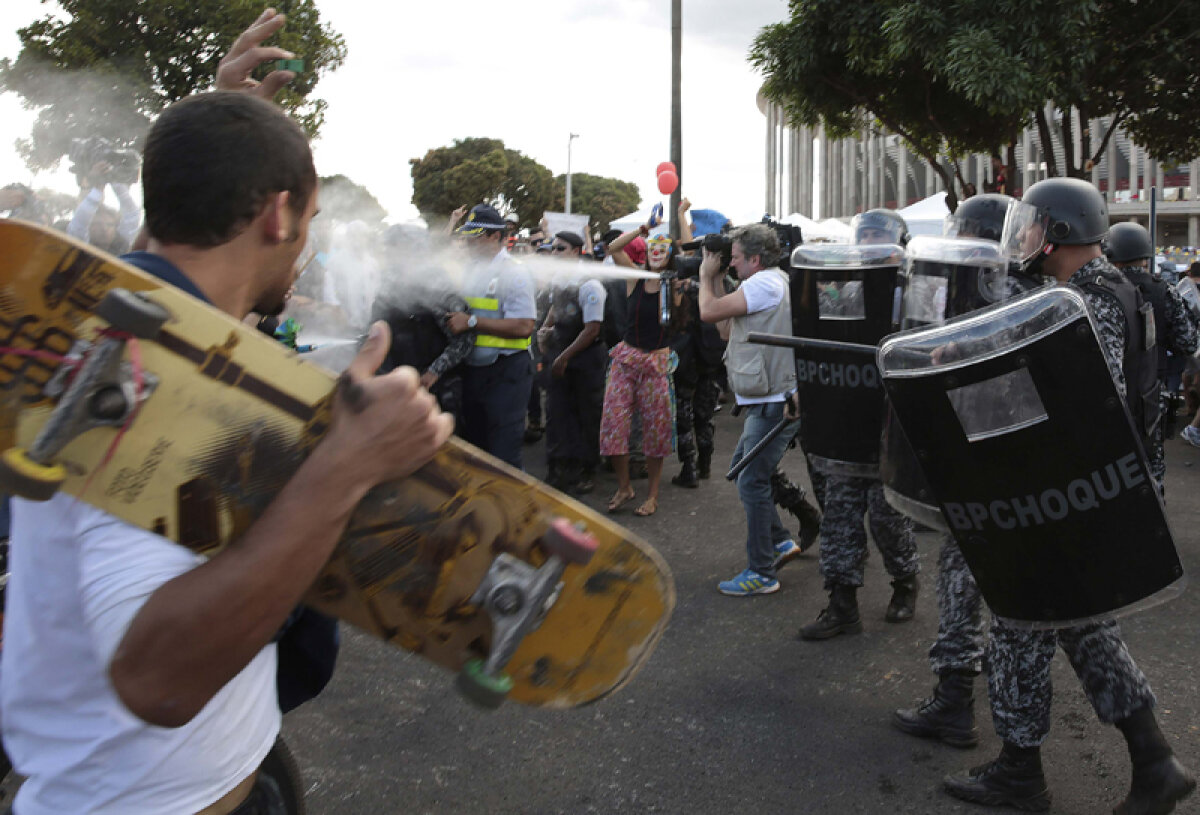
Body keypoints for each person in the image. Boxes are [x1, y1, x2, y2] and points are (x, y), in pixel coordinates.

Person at [0, 84, 455, 815]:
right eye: (307, 219)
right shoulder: (145, 376)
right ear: (278, 213)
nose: (305, 248)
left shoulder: (144, 324)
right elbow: (159, 679)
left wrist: (219, 124)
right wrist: (347, 466)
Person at [942, 178, 1195, 814]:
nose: (1021, 236)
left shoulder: (1087, 302)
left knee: (1020, 624)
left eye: (1030, 225)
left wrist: (971, 388)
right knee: (1084, 628)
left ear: (1055, 232)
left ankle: (1021, 773)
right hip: (1087, 491)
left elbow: (1079, 401)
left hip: (1066, 496)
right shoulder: (1106, 289)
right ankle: (1154, 761)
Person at [799, 208, 920, 637]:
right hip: (846, 419)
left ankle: (905, 582)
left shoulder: (913, 288)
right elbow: (825, 336)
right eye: (864, 235)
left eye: (879, 236)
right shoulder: (845, 284)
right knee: (840, 516)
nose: (870, 243)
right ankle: (841, 603)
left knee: (888, 520)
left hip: (890, 422)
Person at [697, 223, 800, 596]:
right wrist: (719, 280)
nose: (732, 264)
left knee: (751, 479)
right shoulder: (761, 284)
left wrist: (706, 277)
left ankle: (762, 572)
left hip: (775, 400)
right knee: (745, 471)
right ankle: (779, 541)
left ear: (755, 259)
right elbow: (726, 330)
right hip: (767, 397)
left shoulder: (763, 284)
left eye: (736, 258)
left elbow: (707, 313)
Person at [1104, 221, 1199, 488]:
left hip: (1106, 401)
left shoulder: (1101, 289)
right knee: (1150, 475)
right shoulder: (1163, 291)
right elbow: (1188, 342)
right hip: (1149, 398)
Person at [445, 203, 537, 469]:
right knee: (477, 450)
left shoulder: (514, 272)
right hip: (475, 372)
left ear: (495, 236)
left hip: (506, 373)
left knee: (503, 456)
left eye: (475, 236)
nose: (469, 243)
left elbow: (523, 326)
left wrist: (471, 322)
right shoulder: (470, 269)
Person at [599, 223, 681, 517]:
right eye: (652, 249)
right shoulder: (635, 278)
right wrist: (641, 230)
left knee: (655, 431)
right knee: (613, 424)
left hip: (655, 364)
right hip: (626, 359)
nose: (656, 254)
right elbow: (613, 249)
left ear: (670, 255)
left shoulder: (674, 285)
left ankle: (653, 495)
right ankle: (625, 487)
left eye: (663, 250)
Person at [539, 231, 607, 494]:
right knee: (557, 414)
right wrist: (544, 330)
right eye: (553, 249)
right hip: (560, 356)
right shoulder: (559, 279)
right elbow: (556, 309)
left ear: (576, 251)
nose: (555, 253)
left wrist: (564, 357)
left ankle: (587, 470)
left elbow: (591, 329)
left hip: (584, 359)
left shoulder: (590, 285)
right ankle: (558, 468)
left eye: (561, 249)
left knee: (586, 415)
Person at [66, 160, 141, 256]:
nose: (104, 229)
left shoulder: (122, 246)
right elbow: (79, 224)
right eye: (97, 224)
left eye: (110, 225)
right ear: (88, 228)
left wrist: (115, 180)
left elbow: (132, 215)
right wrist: (98, 188)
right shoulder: (79, 246)